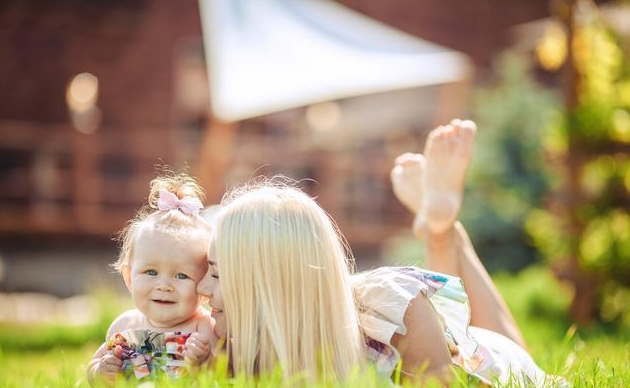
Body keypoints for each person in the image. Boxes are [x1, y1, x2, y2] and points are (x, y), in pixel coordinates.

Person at [197, 119, 565, 386]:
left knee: (517, 361)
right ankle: (438, 226)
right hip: (449, 343)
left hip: (490, 367)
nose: (201, 287)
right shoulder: (235, 345)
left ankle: (443, 232)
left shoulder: (390, 308)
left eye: (215, 272)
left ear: (265, 279)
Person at [87, 173, 217, 386]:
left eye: (181, 275)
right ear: (129, 278)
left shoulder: (203, 329)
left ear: (203, 285)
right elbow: (93, 368)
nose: (164, 285)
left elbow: (226, 372)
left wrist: (204, 361)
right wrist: (101, 371)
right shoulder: (125, 326)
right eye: (151, 272)